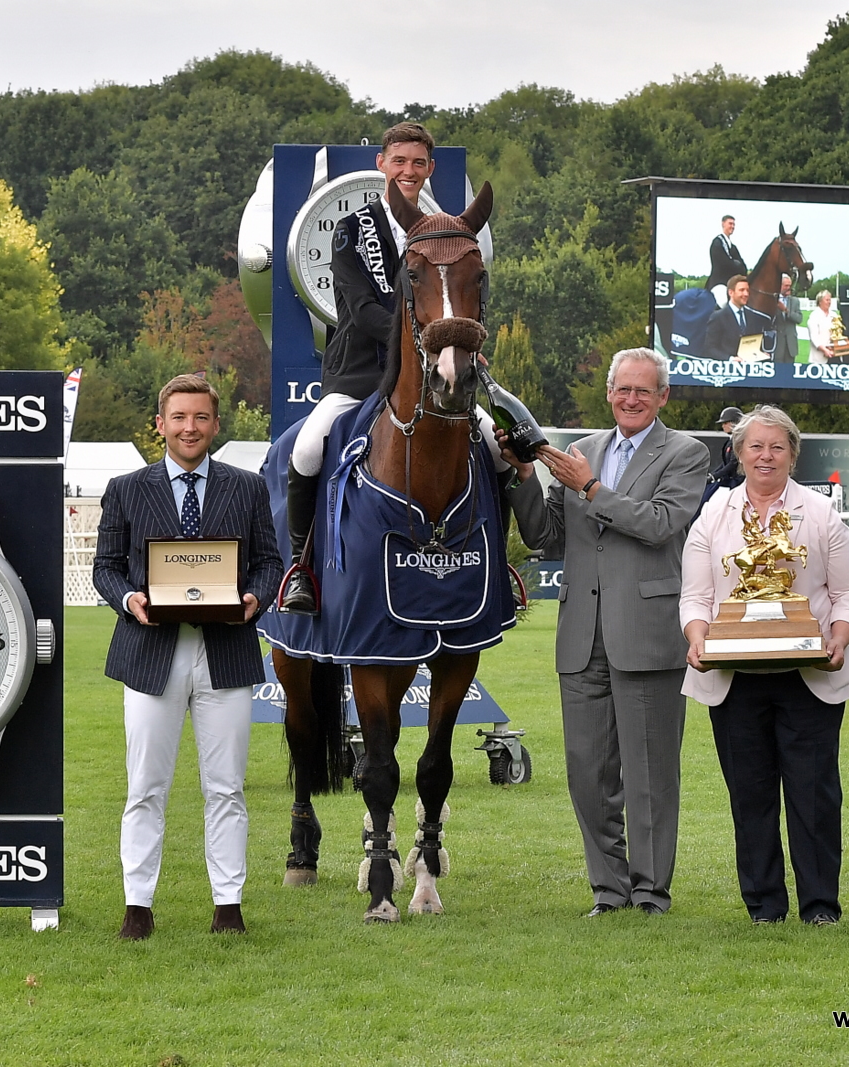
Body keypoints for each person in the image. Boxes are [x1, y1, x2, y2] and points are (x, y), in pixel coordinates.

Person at [501, 348, 709, 916]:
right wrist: (524, 474)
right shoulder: (581, 452)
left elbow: (662, 526)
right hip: (581, 637)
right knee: (588, 776)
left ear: (663, 397)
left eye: (644, 391)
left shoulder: (686, 453)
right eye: (623, 389)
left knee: (648, 778)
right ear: (609, 393)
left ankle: (649, 893)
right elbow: (546, 538)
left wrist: (591, 489)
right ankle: (608, 891)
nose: (632, 399)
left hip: (647, 635)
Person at [280, 121, 505, 613]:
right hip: (360, 374)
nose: (408, 170)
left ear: (431, 169)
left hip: (434, 375)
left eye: (418, 162)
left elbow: (462, 300)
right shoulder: (351, 228)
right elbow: (358, 311)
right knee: (307, 448)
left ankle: (500, 561)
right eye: (399, 160)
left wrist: (458, 345)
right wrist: (428, 342)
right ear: (381, 164)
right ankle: (300, 568)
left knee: (499, 444)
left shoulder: (447, 230)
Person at [93, 374, 284, 940]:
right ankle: (138, 905)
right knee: (145, 786)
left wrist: (256, 597)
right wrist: (128, 599)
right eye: (178, 417)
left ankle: (229, 904)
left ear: (215, 425)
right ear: (160, 424)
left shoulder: (246, 488)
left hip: (225, 653)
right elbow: (104, 566)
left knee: (226, 786)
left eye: (200, 417)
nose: (189, 428)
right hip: (150, 654)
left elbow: (270, 563)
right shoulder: (127, 488)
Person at [679, 405, 849, 925]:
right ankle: (764, 906)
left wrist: (841, 636)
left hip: (810, 678)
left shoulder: (822, 514)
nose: (766, 456)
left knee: (815, 797)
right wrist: (697, 638)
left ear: (792, 454)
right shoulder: (713, 514)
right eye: (756, 446)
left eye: (777, 447)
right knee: (750, 795)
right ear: (738, 454)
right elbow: (694, 597)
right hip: (733, 678)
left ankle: (820, 907)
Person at [703, 276, 772, 361]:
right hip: (728, 370)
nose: (746, 294)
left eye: (747, 290)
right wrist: (730, 359)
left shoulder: (752, 317)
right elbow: (710, 348)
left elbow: (753, 343)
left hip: (749, 369)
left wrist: (760, 354)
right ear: (731, 293)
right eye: (742, 290)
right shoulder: (718, 317)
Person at [705, 215, 748, 307]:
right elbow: (723, 264)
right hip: (719, 282)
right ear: (723, 224)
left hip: (732, 283)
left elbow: (743, 267)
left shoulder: (733, 247)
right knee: (724, 303)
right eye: (730, 224)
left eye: (734, 224)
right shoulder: (717, 243)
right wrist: (736, 264)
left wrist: (736, 264)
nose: (732, 226)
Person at [773, 274, 802, 363]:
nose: (788, 288)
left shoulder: (795, 301)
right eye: (786, 286)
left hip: (790, 345)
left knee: (789, 373)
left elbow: (799, 319)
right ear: (779, 285)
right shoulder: (773, 300)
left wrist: (786, 310)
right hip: (777, 344)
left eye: (790, 285)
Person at [806, 289, 836, 365]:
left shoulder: (834, 315)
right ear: (820, 301)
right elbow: (814, 337)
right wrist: (824, 350)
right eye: (827, 300)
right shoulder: (814, 316)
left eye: (830, 300)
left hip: (834, 355)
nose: (829, 302)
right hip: (818, 358)